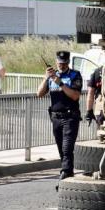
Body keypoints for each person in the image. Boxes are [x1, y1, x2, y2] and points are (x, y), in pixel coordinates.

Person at [37, 50, 83, 181]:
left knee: (67, 147)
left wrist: (61, 83)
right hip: (56, 117)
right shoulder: (52, 76)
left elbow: (75, 96)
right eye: (59, 64)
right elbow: (39, 94)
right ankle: (68, 171)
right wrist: (46, 78)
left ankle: (65, 172)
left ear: (68, 62)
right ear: (56, 62)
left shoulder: (75, 75)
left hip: (70, 117)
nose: (61, 66)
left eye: (64, 64)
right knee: (61, 148)